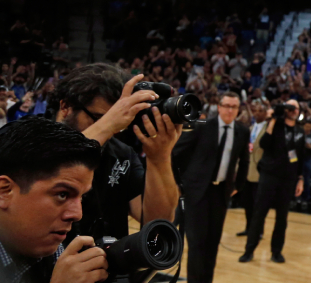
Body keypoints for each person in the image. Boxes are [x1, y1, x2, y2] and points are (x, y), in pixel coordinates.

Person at [49, 65, 179, 239]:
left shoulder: (122, 154)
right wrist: (111, 121)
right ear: (66, 107)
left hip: (106, 263)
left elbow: (157, 222)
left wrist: (159, 157)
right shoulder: (27, 136)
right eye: (102, 118)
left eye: (120, 120)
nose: (113, 128)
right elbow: (48, 165)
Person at [0, 118, 106, 283]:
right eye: (62, 194)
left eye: (82, 197)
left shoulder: (54, 246)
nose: (77, 214)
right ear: (4, 191)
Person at [172, 91, 247, 283]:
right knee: (196, 244)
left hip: (220, 193)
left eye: (234, 107)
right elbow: (176, 152)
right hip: (196, 192)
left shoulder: (242, 131)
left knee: (212, 244)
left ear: (238, 110)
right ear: (219, 107)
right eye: (227, 106)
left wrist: (237, 185)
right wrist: (178, 182)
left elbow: (244, 161)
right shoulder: (203, 126)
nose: (230, 110)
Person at [239, 99, 306, 263]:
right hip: (269, 175)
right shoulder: (275, 125)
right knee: (259, 214)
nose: (293, 110)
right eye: (289, 107)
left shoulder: (299, 131)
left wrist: (301, 179)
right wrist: (273, 119)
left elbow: (301, 157)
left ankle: (276, 252)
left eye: (295, 107)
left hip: (288, 179)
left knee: (282, 218)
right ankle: (249, 250)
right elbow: (263, 143)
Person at [235, 99, 269, 237]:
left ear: (267, 113)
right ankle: (249, 228)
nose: (257, 113)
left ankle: (258, 230)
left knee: (258, 204)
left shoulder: (269, 129)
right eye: (255, 111)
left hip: (261, 171)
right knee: (247, 203)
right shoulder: (250, 128)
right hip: (248, 170)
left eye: (260, 111)